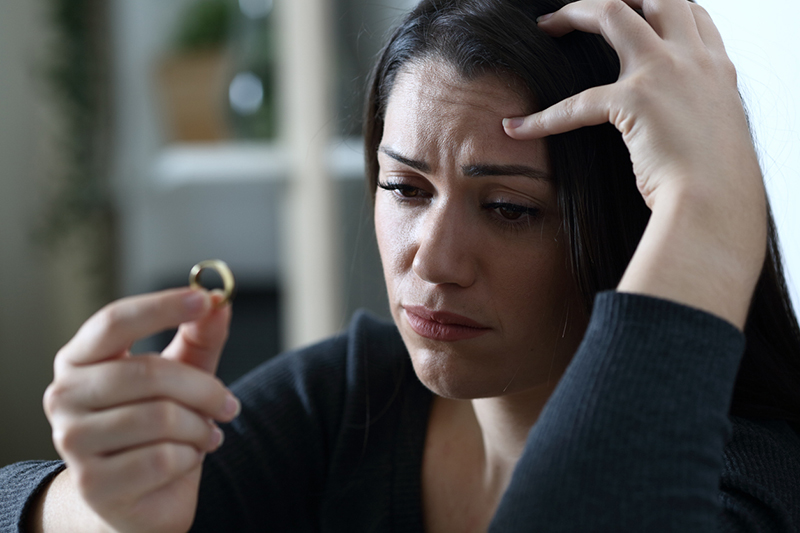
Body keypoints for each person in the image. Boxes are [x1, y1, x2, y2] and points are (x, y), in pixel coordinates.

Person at [2, 0, 799, 531]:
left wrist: (707, 210)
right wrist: (96, 509)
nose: (433, 258)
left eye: (510, 209)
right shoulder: (355, 394)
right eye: (404, 187)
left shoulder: (753, 480)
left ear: (633, 222)